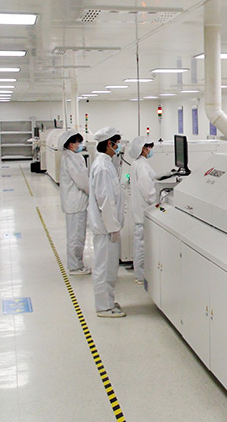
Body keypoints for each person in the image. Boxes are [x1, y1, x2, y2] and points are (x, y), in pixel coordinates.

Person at [88, 127, 126, 318]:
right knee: (104, 268)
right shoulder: (103, 167)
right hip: (106, 229)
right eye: (117, 143)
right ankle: (103, 307)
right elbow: (106, 201)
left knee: (109, 268)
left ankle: (108, 301)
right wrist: (113, 227)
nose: (119, 146)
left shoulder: (106, 164)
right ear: (109, 144)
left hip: (107, 227)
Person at [58, 130, 90, 275]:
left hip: (75, 202)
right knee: (76, 237)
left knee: (76, 235)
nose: (81, 145)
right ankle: (75, 267)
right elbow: (82, 182)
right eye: (79, 143)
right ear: (71, 144)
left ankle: (77, 264)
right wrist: (94, 193)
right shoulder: (71, 159)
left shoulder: (71, 157)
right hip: (75, 203)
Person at [127, 136, 158, 285]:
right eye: (149, 147)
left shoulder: (137, 164)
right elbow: (148, 192)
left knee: (140, 243)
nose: (150, 150)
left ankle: (140, 273)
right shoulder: (142, 166)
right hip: (143, 211)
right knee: (141, 245)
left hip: (139, 211)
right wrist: (158, 199)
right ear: (143, 149)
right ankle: (140, 275)